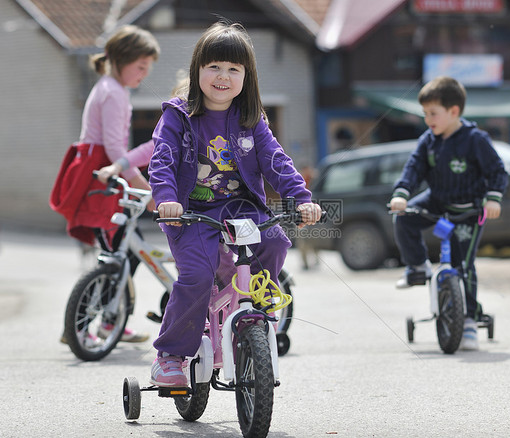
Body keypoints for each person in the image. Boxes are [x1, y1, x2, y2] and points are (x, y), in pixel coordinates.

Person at [147, 21, 322, 386]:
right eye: (214, 67)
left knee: (273, 240)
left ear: (247, 76)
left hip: (241, 206)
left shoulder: (250, 119)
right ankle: (171, 355)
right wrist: (165, 199)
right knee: (196, 275)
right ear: (197, 70)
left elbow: (275, 160)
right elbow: (161, 159)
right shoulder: (178, 116)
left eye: (233, 69)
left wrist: (300, 198)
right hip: (190, 211)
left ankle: (255, 308)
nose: (222, 76)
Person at [50, 25, 160, 343]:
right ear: (122, 60)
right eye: (140, 67)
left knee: (120, 251)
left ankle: (104, 322)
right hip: (104, 178)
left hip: (99, 174)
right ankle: (88, 327)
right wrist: (144, 187)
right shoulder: (113, 92)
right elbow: (115, 150)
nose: (143, 75)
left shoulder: (110, 88)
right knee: (119, 253)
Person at [389, 76, 508, 351]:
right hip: (438, 200)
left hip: (469, 210)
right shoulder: (428, 140)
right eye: (425, 114)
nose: (428, 119)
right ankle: (417, 266)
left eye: (433, 113)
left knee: (462, 265)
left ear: (453, 111)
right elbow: (413, 168)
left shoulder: (475, 139)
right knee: (403, 218)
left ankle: (468, 320)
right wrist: (402, 193)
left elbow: (497, 171)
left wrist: (493, 198)